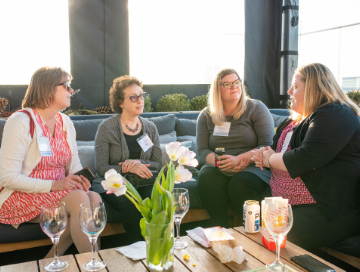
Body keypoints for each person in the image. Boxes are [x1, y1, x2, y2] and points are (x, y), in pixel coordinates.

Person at [251, 63, 360, 251]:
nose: (289, 91)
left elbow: (306, 157)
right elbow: (278, 153)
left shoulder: (336, 112)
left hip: (330, 207)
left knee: (282, 238)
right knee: (257, 221)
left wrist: (269, 158)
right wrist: (265, 157)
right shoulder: (294, 119)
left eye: (295, 86)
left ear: (313, 88)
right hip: (291, 202)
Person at [0, 67, 102, 258]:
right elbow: (7, 178)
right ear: (47, 88)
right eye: (67, 85)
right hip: (20, 194)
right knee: (79, 199)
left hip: (61, 191)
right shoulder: (21, 121)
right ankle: (94, 265)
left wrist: (81, 179)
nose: (71, 91)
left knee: (94, 198)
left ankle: (57, 261)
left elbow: (75, 165)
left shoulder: (65, 122)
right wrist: (55, 185)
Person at [196, 68, 274, 228]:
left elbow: (267, 145)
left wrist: (240, 159)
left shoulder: (256, 109)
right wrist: (220, 162)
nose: (234, 86)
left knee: (240, 183)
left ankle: (254, 233)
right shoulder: (206, 115)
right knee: (207, 178)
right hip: (218, 166)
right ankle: (220, 232)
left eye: (236, 81)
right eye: (227, 84)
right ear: (217, 89)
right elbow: (202, 151)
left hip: (253, 165)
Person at [92, 75, 162, 244]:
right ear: (120, 102)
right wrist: (127, 168)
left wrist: (138, 163)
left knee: (159, 202)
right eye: (133, 97)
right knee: (133, 205)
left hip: (145, 181)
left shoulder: (150, 127)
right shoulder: (106, 128)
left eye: (141, 95)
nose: (140, 100)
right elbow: (101, 167)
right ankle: (137, 252)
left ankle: (159, 248)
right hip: (115, 183)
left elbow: (158, 163)